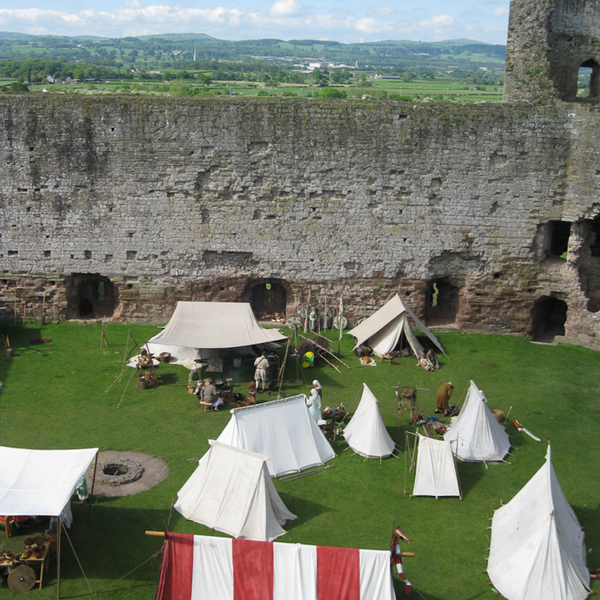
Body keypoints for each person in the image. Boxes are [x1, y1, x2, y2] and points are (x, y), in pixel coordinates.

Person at [391, 526, 412, 594]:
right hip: (396, 556)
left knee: (400, 572)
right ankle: (407, 583)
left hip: (396, 557)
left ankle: (407, 583)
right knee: (400, 572)